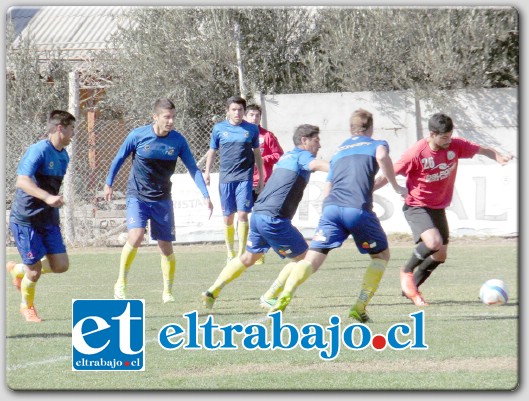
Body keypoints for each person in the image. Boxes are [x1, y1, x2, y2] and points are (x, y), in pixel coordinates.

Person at [270, 109, 407, 323]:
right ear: (370, 128)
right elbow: (381, 157)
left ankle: (283, 298)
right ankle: (360, 306)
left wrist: (327, 211)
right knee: (381, 256)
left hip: (331, 209)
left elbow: (328, 185)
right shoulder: (376, 144)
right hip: (356, 209)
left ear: (351, 129)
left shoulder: (341, 150)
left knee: (311, 260)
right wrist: (396, 185)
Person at [383, 113, 513, 306]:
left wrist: (498, 156)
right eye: (444, 138)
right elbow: (388, 172)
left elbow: (481, 149)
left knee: (440, 255)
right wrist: (366, 191)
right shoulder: (416, 153)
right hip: (416, 205)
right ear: (432, 134)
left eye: (450, 136)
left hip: (438, 207)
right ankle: (406, 270)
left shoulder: (455, 145)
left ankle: (411, 288)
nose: (448, 141)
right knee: (433, 241)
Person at [201, 124, 329, 309]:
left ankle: (212, 291)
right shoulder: (303, 156)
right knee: (305, 260)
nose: (319, 146)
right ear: (304, 141)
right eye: (316, 141)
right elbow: (318, 165)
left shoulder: (286, 157)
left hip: (259, 214)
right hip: (274, 218)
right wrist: (344, 167)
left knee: (248, 258)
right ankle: (270, 296)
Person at [104, 98, 213, 303]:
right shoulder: (138, 135)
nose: (171, 121)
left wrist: (205, 194)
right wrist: (108, 183)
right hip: (137, 195)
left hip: (162, 198)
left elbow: (193, 168)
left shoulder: (178, 141)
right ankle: (120, 283)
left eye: (173, 117)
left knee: (165, 246)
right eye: (167, 117)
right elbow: (119, 158)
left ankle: (168, 292)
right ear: (155, 117)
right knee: (136, 236)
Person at [6, 110, 76, 322]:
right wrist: (47, 197)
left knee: (61, 265)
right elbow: (22, 181)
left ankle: (18, 270)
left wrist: (53, 201)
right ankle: (27, 307)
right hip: (26, 219)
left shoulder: (64, 155)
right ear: (59, 128)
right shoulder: (38, 151)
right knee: (35, 272)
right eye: (72, 128)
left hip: (48, 218)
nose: (74, 133)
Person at [203, 96, 264, 262]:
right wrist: (207, 171)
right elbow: (213, 151)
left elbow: (257, 154)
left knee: (243, 214)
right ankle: (230, 252)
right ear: (228, 111)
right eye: (234, 110)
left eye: (240, 110)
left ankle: (242, 252)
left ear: (244, 112)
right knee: (228, 217)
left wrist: (262, 176)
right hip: (226, 178)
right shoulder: (218, 129)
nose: (237, 113)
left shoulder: (252, 129)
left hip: (245, 177)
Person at [244, 103, 284, 265]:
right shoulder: (242, 135)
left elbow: (278, 154)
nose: (254, 118)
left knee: (262, 217)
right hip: (244, 182)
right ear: (245, 116)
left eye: (257, 115)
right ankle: (243, 251)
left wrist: (262, 159)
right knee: (243, 217)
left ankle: (260, 253)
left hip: (263, 182)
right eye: (251, 115)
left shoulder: (267, 136)